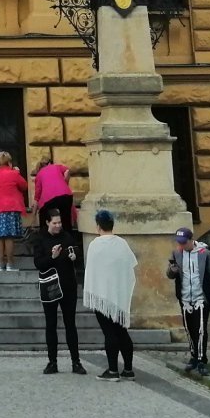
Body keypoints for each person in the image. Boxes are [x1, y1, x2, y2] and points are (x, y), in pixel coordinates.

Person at [81, 210, 139, 381]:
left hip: (102, 296)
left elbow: (91, 269)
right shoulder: (122, 244)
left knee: (109, 333)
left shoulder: (95, 245)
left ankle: (113, 370)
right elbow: (131, 266)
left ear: (98, 226)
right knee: (122, 332)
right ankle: (128, 370)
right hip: (119, 294)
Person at [31, 210, 87, 374]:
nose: (58, 226)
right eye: (55, 223)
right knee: (51, 325)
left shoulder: (67, 236)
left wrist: (74, 256)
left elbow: (77, 253)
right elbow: (38, 263)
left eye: (60, 222)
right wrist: (52, 257)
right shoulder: (40, 239)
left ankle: (76, 362)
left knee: (71, 325)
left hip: (68, 286)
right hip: (50, 286)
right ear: (47, 222)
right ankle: (52, 361)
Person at [168, 226, 210, 376]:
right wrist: (172, 270)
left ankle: (202, 360)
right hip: (185, 299)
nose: (181, 245)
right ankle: (193, 357)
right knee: (189, 329)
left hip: (201, 298)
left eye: (184, 242)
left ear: (192, 240)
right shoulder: (177, 253)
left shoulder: (205, 254)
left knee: (201, 330)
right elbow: (170, 274)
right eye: (179, 243)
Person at [0, 150, 30, 273]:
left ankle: (0, 264)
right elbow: (24, 186)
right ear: (9, 162)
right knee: (8, 237)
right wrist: (17, 172)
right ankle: (10, 264)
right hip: (10, 208)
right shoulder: (13, 174)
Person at [32, 153, 74, 235]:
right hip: (66, 195)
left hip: (49, 199)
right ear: (50, 163)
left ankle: (45, 237)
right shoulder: (57, 167)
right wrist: (65, 182)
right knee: (66, 220)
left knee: (45, 218)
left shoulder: (39, 174)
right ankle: (69, 242)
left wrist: (33, 216)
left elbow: (37, 198)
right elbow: (67, 171)